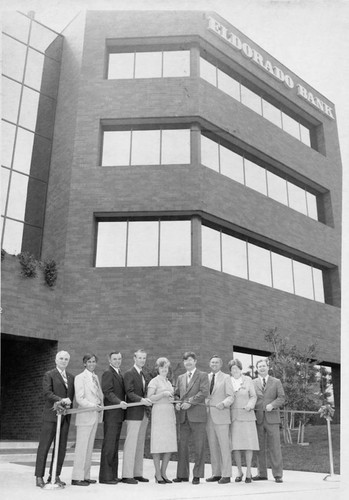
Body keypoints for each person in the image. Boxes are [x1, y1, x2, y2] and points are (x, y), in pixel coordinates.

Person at [35, 350, 74, 488]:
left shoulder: (71, 377)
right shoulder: (49, 375)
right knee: (44, 446)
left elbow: (72, 397)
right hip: (51, 417)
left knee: (61, 447)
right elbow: (47, 393)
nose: (64, 361)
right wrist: (61, 400)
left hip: (65, 418)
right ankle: (39, 477)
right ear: (56, 360)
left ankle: (55, 475)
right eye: (61, 358)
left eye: (66, 359)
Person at [174, 351, 209, 485]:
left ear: (195, 361)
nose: (188, 362)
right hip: (183, 417)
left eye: (190, 360)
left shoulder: (203, 375)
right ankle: (182, 475)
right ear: (184, 363)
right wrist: (177, 403)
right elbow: (176, 394)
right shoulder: (180, 377)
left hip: (198, 416)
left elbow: (204, 392)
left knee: (199, 446)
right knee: (182, 446)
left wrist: (190, 402)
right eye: (185, 360)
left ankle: (197, 475)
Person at [71, 353, 103, 486]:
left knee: (89, 448)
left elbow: (99, 395)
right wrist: (93, 406)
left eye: (94, 361)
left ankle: (86, 475)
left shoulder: (95, 377)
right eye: (89, 361)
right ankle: (76, 477)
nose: (92, 364)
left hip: (95, 415)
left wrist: (100, 406)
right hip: (85, 415)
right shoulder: (80, 378)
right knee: (82, 448)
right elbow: (80, 398)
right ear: (84, 363)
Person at [122, 349, 152, 484]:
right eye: (140, 358)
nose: (142, 360)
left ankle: (137, 473)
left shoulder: (144, 374)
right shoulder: (129, 373)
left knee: (140, 444)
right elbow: (129, 393)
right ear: (134, 358)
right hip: (134, 414)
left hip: (143, 414)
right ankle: (127, 475)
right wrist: (141, 400)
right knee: (131, 444)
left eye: (144, 358)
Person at [252, 358, 285, 483]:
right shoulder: (253, 382)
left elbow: (282, 397)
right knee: (259, 447)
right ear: (257, 369)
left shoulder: (276, 382)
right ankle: (262, 474)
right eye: (259, 366)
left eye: (263, 366)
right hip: (258, 419)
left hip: (272, 419)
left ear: (268, 367)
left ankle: (278, 475)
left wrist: (272, 405)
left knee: (275, 447)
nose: (261, 368)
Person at [99, 351, 128, 484]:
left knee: (115, 446)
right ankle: (105, 477)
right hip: (111, 414)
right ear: (109, 359)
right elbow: (107, 392)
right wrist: (118, 402)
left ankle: (113, 475)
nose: (117, 361)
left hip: (118, 415)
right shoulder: (108, 373)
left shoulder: (119, 373)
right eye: (115, 359)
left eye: (119, 358)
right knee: (109, 446)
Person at [147, 357, 177, 484]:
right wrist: (162, 394)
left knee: (169, 444)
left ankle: (164, 472)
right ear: (157, 369)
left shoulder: (169, 382)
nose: (164, 369)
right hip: (159, 413)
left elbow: (171, 396)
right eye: (162, 367)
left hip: (169, 414)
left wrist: (172, 399)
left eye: (166, 367)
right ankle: (157, 474)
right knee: (158, 444)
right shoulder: (154, 381)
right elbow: (150, 398)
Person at [205, 355, 234, 484]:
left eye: (217, 362)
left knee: (224, 446)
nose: (214, 364)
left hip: (221, 415)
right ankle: (216, 473)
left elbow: (231, 396)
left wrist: (224, 403)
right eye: (212, 362)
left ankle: (226, 474)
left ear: (220, 364)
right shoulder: (206, 377)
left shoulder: (227, 378)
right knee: (213, 446)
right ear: (209, 364)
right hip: (208, 416)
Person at [229, 358, 259, 483]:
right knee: (236, 446)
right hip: (234, 418)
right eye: (232, 369)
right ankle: (239, 471)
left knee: (248, 445)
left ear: (241, 369)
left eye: (236, 368)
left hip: (247, 417)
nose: (234, 370)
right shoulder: (228, 381)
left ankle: (248, 472)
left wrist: (250, 405)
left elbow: (253, 396)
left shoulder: (248, 380)